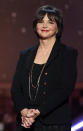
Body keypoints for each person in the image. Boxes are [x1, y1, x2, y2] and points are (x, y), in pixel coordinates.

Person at [11, 5, 78, 131]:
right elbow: (15, 89)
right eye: (40, 21)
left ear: (58, 28)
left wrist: (38, 112)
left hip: (54, 123)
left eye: (50, 22)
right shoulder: (25, 54)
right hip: (26, 123)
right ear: (35, 26)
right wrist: (24, 111)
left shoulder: (68, 53)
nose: (44, 26)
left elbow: (65, 89)